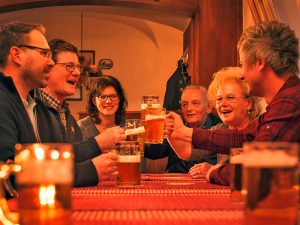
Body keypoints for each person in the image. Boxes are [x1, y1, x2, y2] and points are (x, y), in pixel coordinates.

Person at [165, 21, 300, 160]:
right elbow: (242, 138)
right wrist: (182, 132)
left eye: (243, 64)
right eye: (219, 98)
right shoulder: (281, 104)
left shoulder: (290, 102)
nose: (242, 74)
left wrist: (214, 172)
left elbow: (261, 165)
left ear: (260, 62)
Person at [38, 39, 125, 186]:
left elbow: (73, 162)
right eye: (69, 66)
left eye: (77, 67)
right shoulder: (35, 108)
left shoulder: (68, 117)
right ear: (49, 67)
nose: (77, 72)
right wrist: (98, 144)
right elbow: (44, 167)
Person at [188, 67, 261, 185]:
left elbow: (253, 174)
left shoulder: (259, 129)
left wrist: (214, 170)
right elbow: (187, 152)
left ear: (249, 103)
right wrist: (170, 129)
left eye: (230, 98)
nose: (223, 104)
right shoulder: (221, 129)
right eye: (219, 99)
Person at [144, 85, 221, 173]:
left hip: (206, 181)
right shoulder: (176, 125)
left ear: (209, 107)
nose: (189, 109)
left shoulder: (219, 127)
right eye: (185, 104)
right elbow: (154, 153)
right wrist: (140, 138)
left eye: (195, 103)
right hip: (174, 181)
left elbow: (207, 163)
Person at [77, 75, 128, 139]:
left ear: (119, 99)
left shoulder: (126, 126)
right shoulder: (82, 127)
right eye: (102, 97)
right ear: (94, 101)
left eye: (113, 96)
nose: (108, 101)